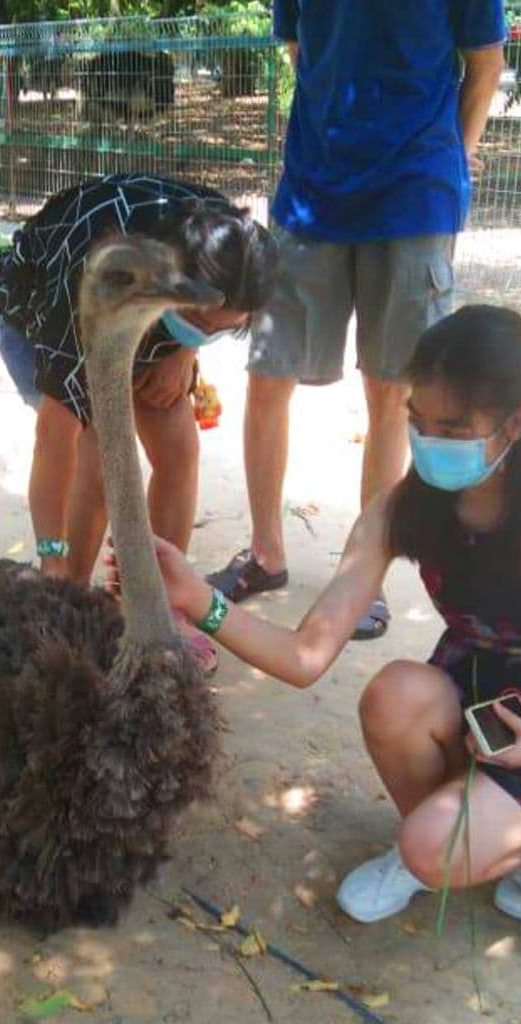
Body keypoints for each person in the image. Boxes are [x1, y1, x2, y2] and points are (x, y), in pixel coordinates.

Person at [119, 305, 521, 923]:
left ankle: (475, 843)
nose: (430, 442)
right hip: (476, 689)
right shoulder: (402, 509)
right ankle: (451, 839)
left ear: (512, 424)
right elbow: (306, 656)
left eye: (454, 426)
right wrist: (196, 598)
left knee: (431, 848)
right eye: (419, 422)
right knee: (392, 698)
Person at [209, 0, 506, 641]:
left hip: (413, 193)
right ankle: (265, 554)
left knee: (394, 391)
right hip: (311, 194)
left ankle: (361, 577)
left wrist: (454, 158)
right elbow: (299, 49)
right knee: (267, 374)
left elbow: (486, 63)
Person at [0, 173, 278, 671]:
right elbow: (54, 441)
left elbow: (212, 314)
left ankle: (160, 607)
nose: (212, 333)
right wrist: (51, 555)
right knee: (99, 465)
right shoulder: (88, 276)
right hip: (43, 321)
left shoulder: (226, 241)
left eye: (222, 330)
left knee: (179, 449)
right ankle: (72, 606)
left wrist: (186, 348)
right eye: (201, 322)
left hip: (154, 325)